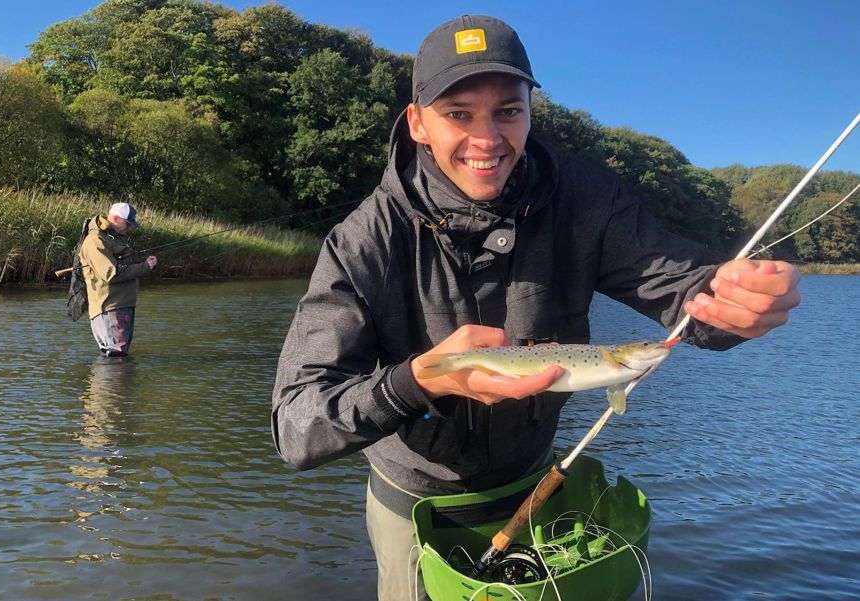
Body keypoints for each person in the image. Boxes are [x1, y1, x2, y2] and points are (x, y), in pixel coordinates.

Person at [272, 14, 801, 600]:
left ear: (529, 112)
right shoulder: (362, 239)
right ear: (418, 123)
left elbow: (682, 290)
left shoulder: (585, 197)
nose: (488, 139)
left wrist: (734, 302)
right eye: (458, 114)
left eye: (508, 111)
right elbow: (298, 425)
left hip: (538, 487)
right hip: (415, 506)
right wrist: (417, 381)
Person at [79, 202, 158, 357]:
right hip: (109, 307)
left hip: (122, 305)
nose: (130, 228)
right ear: (114, 218)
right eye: (128, 224)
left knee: (119, 357)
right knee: (116, 357)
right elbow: (111, 274)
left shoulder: (114, 238)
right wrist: (146, 267)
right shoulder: (96, 240)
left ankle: (116, 382)